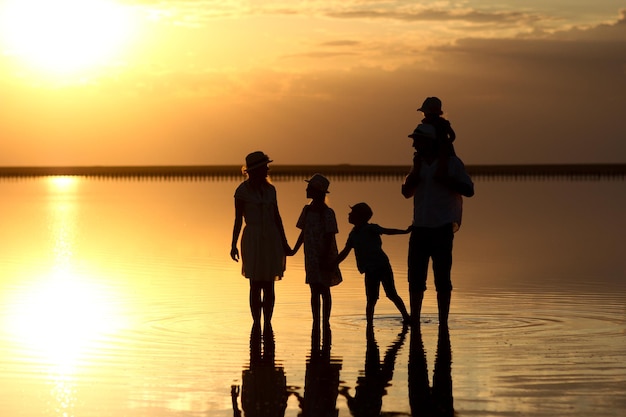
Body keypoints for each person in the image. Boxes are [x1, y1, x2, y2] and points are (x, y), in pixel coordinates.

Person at [402, 124, 474, 327]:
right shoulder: (418, 163)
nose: (414, 144)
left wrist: (446, 180)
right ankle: (415, 319)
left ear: (429, 142)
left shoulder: (452, 164)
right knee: (415, 278)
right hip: (419, 228)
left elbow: (469, 190)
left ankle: (443, 321)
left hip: (442, 229)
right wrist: (415, 173)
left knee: (442, 279)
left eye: (417, 140)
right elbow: (406, 193)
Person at [231, 151, 291, 325]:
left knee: (269, 284)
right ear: (255, 170)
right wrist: (233, 244)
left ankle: (268, 323)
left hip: (271, 238)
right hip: (253, 239)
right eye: (265, 166)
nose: (268, 169)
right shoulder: (242, 191)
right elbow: (237, 220)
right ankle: (257, 322)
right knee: (255, 284)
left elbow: (277, 217)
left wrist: (285, 242)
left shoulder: (271, 190)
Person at [334, 202, 412, 324]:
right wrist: (333, 263)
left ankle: (407, 317)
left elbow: (387, 231)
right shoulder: (353, 234)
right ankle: (369, 324)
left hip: (382, 266)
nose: (349, 214)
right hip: (369, 270)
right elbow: (345, 252)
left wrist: (405, 231)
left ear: (360, 216)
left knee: (391, 294)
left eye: (352, 213)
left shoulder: (371, 228)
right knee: (371, 299)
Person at [289, 173, 342, 329]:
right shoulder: (307, 210)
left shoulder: (328, 213)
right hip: (311, 256)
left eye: (309, 187)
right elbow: (303, 233)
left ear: (317, 191)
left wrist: (326, 258)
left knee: (324, 289)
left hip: (325, 256)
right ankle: (316, 322)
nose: (306, 189)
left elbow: (329, 236)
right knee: (314, 289)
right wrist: (294, 250)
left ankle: (325, 321)